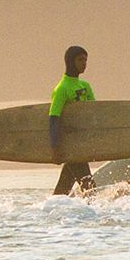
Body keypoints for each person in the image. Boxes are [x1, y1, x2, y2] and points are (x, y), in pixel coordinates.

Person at [49, 45, 95, 196]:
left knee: (62, 191)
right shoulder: (61, 89)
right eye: (80, 60)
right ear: (70, 61)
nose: (84, 63)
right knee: (90, 187)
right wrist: (55, 148)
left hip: (81, 145)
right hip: (70, 146)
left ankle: (50, 211)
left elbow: (95, 115)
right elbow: (54, 118)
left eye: (86, 60)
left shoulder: (85, 86)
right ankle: (94, 214)